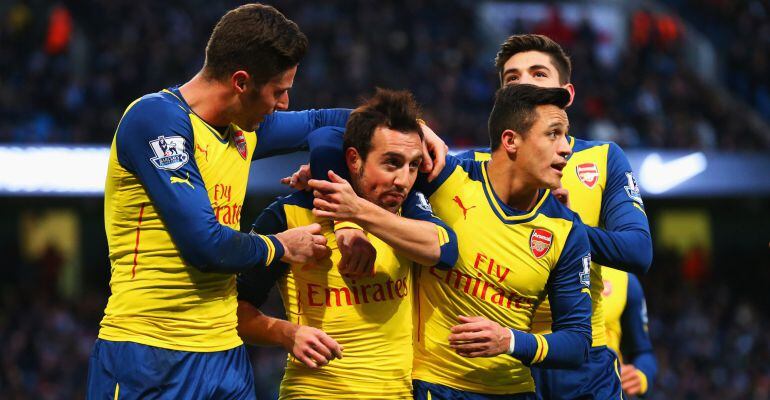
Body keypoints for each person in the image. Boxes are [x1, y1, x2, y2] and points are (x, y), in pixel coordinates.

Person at [83, 4, 439, 399]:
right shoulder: (156, 121)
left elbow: (326, 126)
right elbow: (206, 246)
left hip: (225, 358)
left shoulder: (242, 129)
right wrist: (282, 246)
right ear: (240, 82)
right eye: (278, 91)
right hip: (149, 353)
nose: (284, 103)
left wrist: (416, 130)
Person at [308, 84, 593, 399]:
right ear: (511, 140)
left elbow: (577, 343)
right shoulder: (444, 177)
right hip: (436, 387)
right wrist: (343, 210)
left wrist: (510, 340)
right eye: (553, 134)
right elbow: (332, 137)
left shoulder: (567, 231)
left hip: (515, 390)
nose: (567, 148)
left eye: (566, 136)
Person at [457, 34, 653, 399]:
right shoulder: (467, 168)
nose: (524, 83)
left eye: (537, 73)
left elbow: (638, 250)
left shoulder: (602, 158)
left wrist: (560, 227)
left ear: (567, 94)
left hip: (582, 359)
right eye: (511, 78)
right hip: (497, 354)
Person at [236, 88, 458, 399]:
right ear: (353, 159)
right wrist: (288, 334)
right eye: (392, 163)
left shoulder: (406, 211)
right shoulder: (288, 215)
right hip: (314, 392)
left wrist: (355, 216)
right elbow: (236, 311)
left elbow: (445, 251)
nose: (403, 179)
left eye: (412, 165)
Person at [602, 268, 658, 397]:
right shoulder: (549, 265)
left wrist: (641, 376)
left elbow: (643, 351)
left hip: (606, 391)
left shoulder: (623, 279)